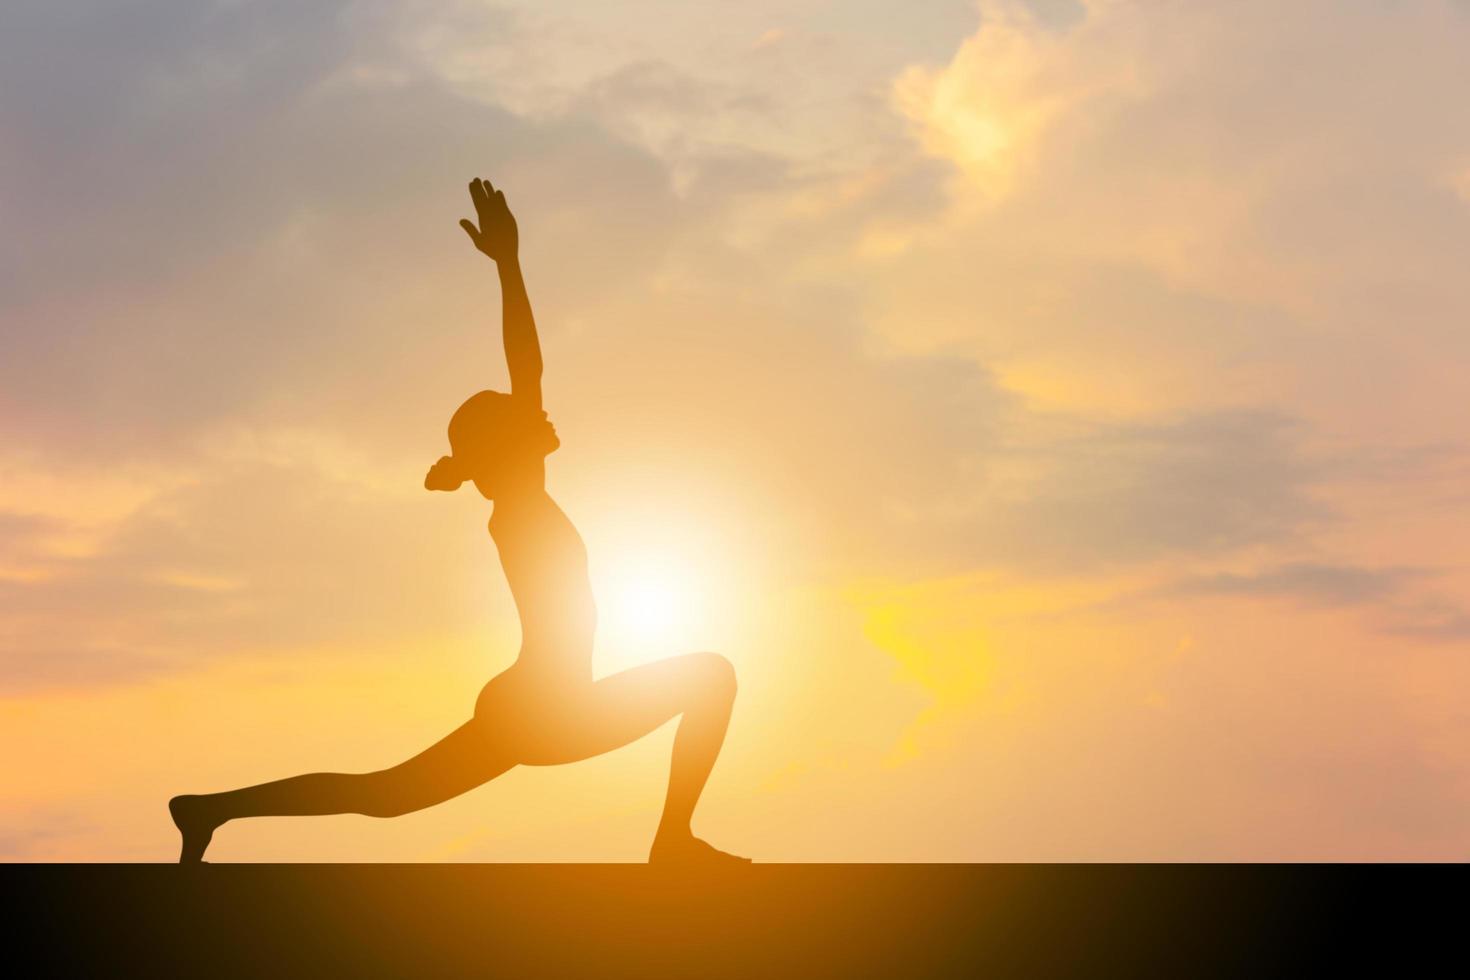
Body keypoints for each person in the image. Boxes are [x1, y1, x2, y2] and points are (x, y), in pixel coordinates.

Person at [169, 179, 748, 867]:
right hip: (548, 707)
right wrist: (508, 263)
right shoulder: (523, 501)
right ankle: (671, 841)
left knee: (382, 795)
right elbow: (527, 363)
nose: (539, 416)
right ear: (508, 446)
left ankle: (208, 810)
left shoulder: (517, 498)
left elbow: (524, 385)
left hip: (540, 703)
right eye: (522, 417)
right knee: (710, 677)